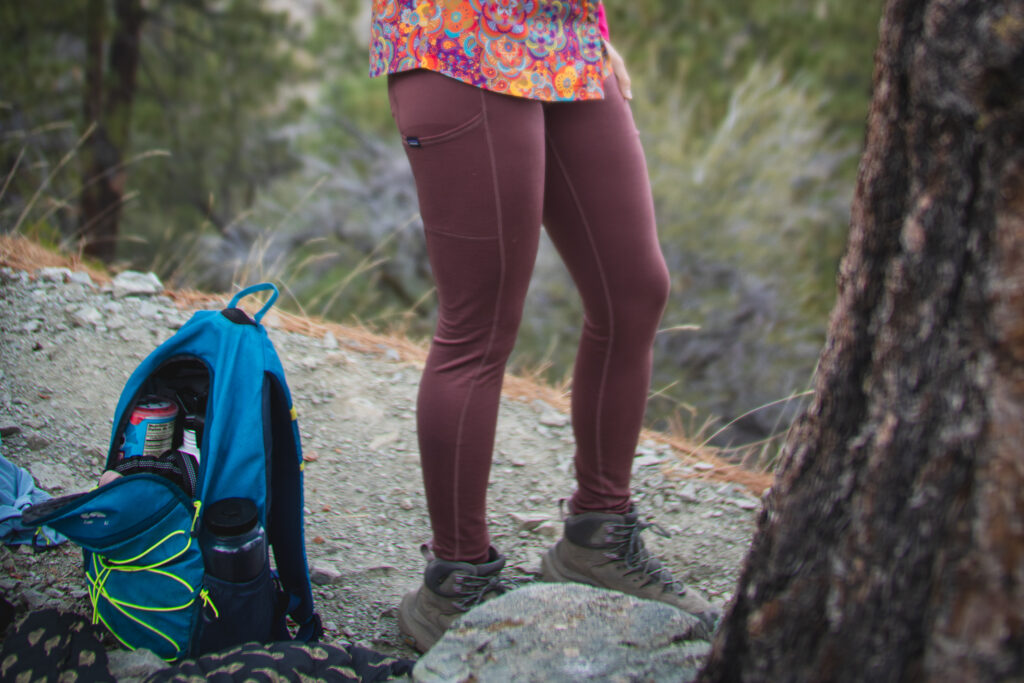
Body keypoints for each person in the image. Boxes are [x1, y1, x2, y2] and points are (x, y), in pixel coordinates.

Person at [369, 0, 719, 652]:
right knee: (480, 323)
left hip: (561, 36)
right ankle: (456, 580)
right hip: (458, 36)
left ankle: (598, 534)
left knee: (634, 290)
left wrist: (594, 29)